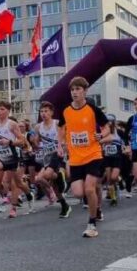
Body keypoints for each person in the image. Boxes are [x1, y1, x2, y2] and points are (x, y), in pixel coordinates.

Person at [57, 77, 113, 238]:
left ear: (85, 91)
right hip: (75, 158)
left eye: (78, 89)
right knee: (78, 193)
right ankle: (97, 205)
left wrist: (101, 134)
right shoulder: (66, 111)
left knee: (89, 188)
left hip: (93, 154)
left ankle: (92, 224)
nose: (74, 92)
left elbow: (107, 128)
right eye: (72, 90)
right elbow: (60, 127)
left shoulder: (93, 109)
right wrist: (59, 144)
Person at [32, 101, 71, 218]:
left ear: (52, 112)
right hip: (47, 156)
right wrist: (35, 141)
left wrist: (65, 148)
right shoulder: (38, 127)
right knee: (40, 178)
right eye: (41, 111)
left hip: (58, 154)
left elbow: (66, 137)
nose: (43, 114)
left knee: (48, 174)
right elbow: (37, 141)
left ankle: (60, 175)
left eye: (46, 111)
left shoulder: (57, 123)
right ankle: (65, 205)